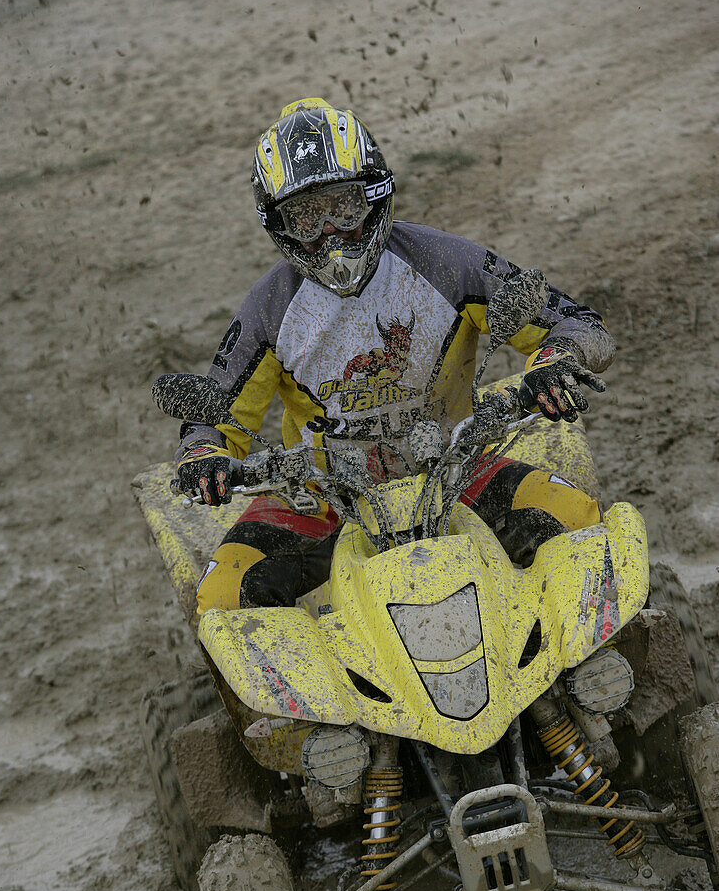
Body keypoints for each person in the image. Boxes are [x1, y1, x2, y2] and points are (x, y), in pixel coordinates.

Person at [175, 98, 615, 615]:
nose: (331, 234)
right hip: (323, 494)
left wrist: (554, 360)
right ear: (278, 224)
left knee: (580, 526)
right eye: (306, 217)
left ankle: (596, 669)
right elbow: (211, 414)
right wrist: (202, 455)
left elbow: (578, 322)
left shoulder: (446, 262)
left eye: (343, 205)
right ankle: (276, 700)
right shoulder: (269, 308)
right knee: (223, 595)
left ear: (376, 194)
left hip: (456, 464)